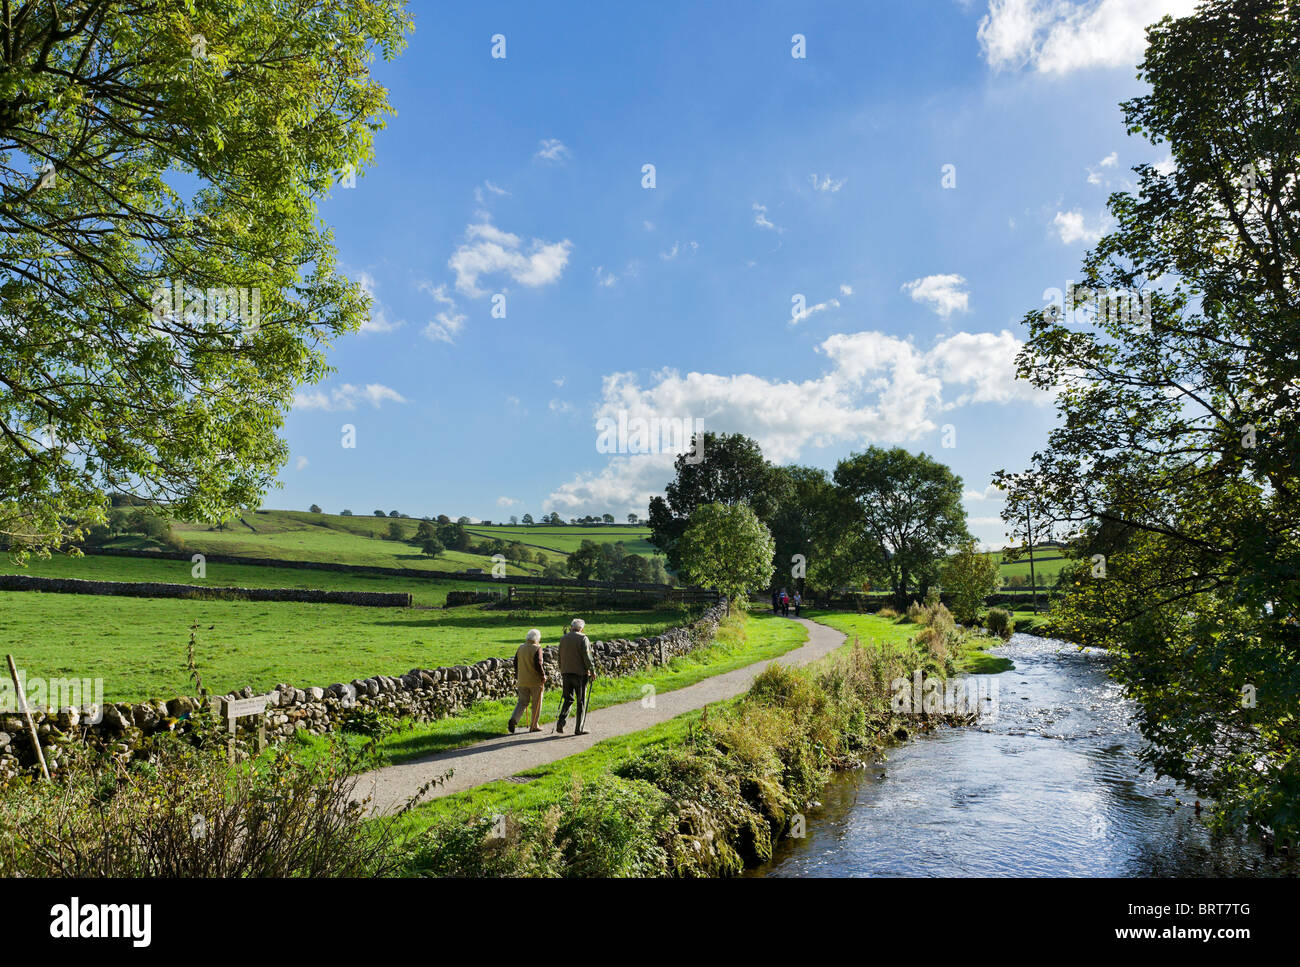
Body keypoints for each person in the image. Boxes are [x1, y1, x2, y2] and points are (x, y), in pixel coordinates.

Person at [556, 617, 595, 735]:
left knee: (568, 698)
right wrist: (592, 670)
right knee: (581, 701)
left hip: (566, 673)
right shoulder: (583, 638)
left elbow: (559, 656)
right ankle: (579, 728)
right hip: (580, 674)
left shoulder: (563, 638)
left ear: (572, 627)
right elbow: (587, 657)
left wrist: (562, 669)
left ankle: (561, 722)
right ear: (581, 628)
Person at [507, 629, 545, 734]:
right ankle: (534, 725)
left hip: (522, 680)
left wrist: (519, 674)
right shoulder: (537, 648)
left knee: (522, 701)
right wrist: (543, 676)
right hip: (535, 681)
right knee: (537, 703)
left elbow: (515, 663)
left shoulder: (520, 648)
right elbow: (538, 664)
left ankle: (514, 719)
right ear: (537, 639)